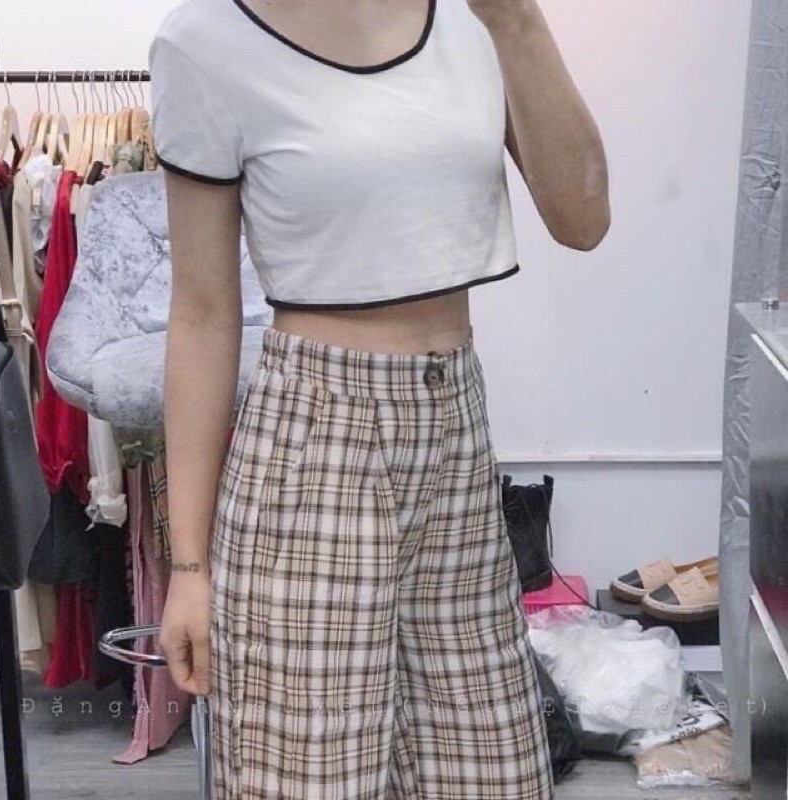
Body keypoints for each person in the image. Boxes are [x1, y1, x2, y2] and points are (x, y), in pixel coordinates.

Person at [150, 0, 609, 796]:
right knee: (307, 777)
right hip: (313, 448)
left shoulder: (477, 20)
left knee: (492, 772)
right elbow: (201, 313)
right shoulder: (207, 40)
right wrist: (188, 566)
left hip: (457, 438)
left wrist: (517, 21)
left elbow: (584, 218)